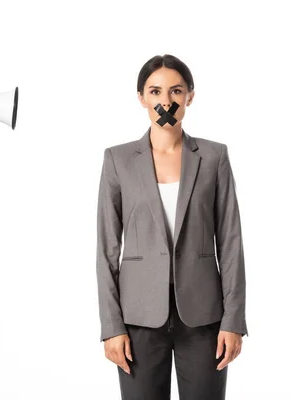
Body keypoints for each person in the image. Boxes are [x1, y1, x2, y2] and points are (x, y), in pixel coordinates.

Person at [96, 54, 248, 400]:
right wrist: (111, 326)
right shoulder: (117, 160)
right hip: (137, 319)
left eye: (176, 91)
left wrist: (233, 319)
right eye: (155, 91)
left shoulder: (213, 157)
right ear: (142, 98)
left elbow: (230, 242)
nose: (166, 101)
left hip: (203, 317)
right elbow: (106, 248)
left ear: (189, 96)